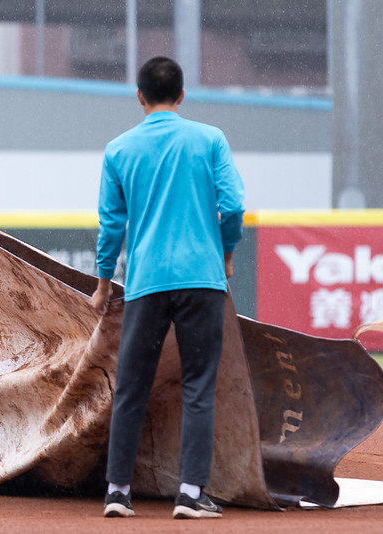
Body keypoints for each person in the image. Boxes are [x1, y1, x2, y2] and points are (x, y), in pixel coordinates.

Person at [90, 56, 244, 520]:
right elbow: (233, 204)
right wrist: (227, 252)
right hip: (201, 278)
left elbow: (111, 225)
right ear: (182, 95)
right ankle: (191, 493)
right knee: (198, 387)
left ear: (139, 96)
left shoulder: (119, 149)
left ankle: (118, 492)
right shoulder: (209, 139)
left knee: (131, 386)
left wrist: (103, 282)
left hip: (147, 280)